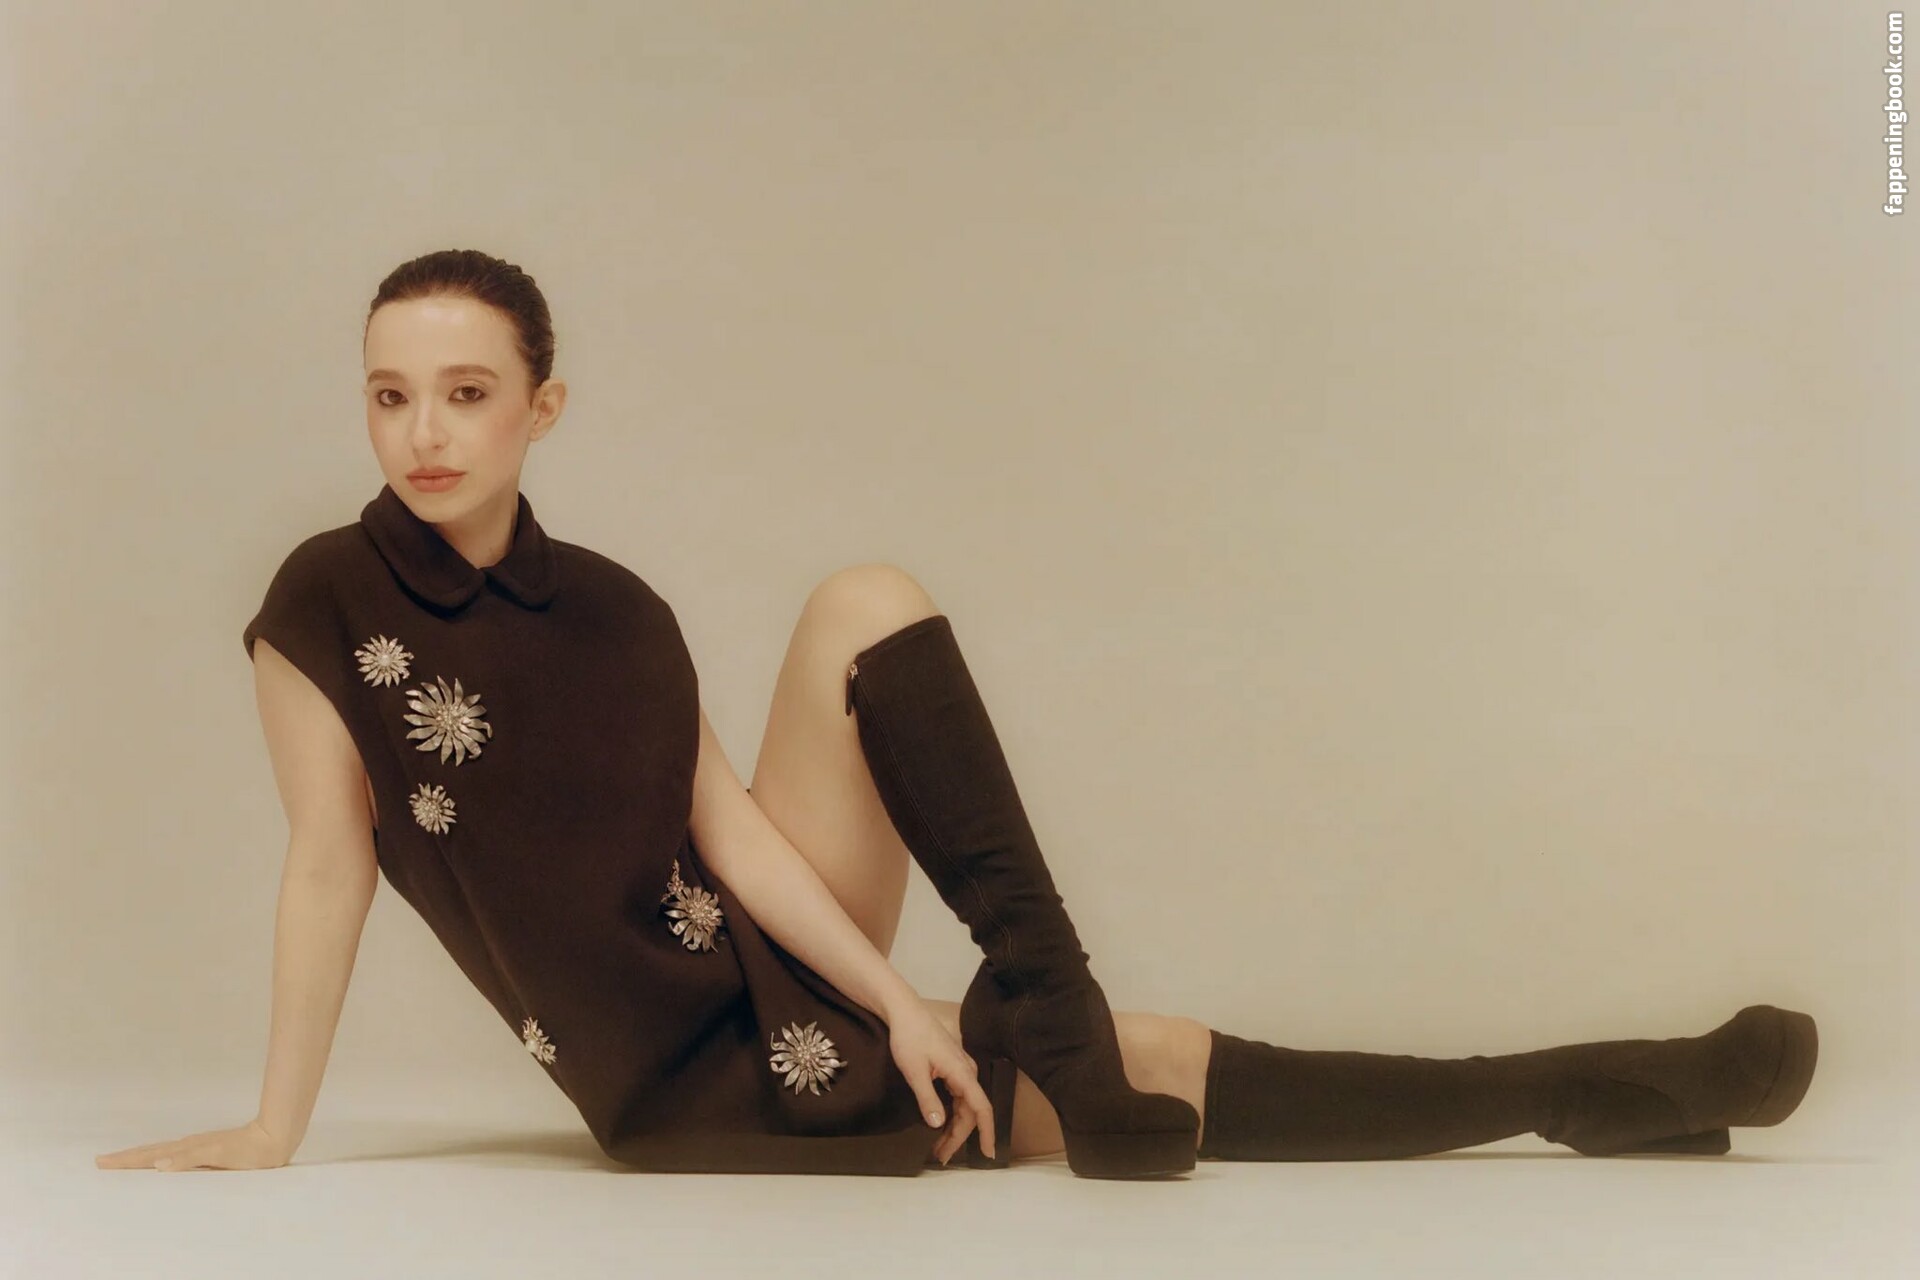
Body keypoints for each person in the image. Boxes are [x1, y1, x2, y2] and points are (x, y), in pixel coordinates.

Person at [97, 249, 1819, 1178]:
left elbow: (732, 841)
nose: (423, 434)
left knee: (871, 605)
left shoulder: (618, 607)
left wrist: (894, 1008)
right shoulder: (324, 600)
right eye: (390, 395)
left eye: (466, 393)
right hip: (682, 1072)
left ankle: (1609, 1090)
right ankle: (1577, 1089)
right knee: (1148, 1066)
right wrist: (274, 1126)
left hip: (776, 976)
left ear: (543, 408)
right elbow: (326, 866)